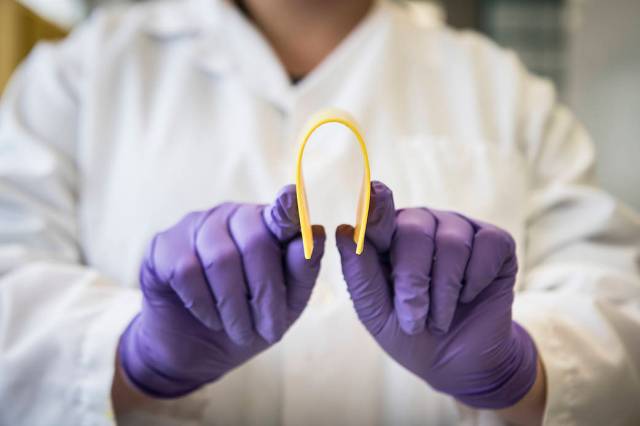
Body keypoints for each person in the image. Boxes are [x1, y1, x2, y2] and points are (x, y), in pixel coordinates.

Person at [0, 0, 638, 424]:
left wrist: (526, 368)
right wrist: (126, 355)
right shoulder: (78, 81)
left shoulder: (508, 93)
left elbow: (620, 312)